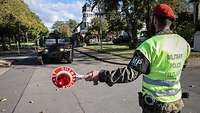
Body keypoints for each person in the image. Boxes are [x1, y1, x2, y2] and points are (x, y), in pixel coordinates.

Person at [83, 3, 191, 113]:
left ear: (154, 20)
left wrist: (101, 75)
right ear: (171, 22)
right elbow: (181, 67)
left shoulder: (150, 45)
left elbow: (129, 74)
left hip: (156, 106)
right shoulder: (184, 44)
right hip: (176, 104)